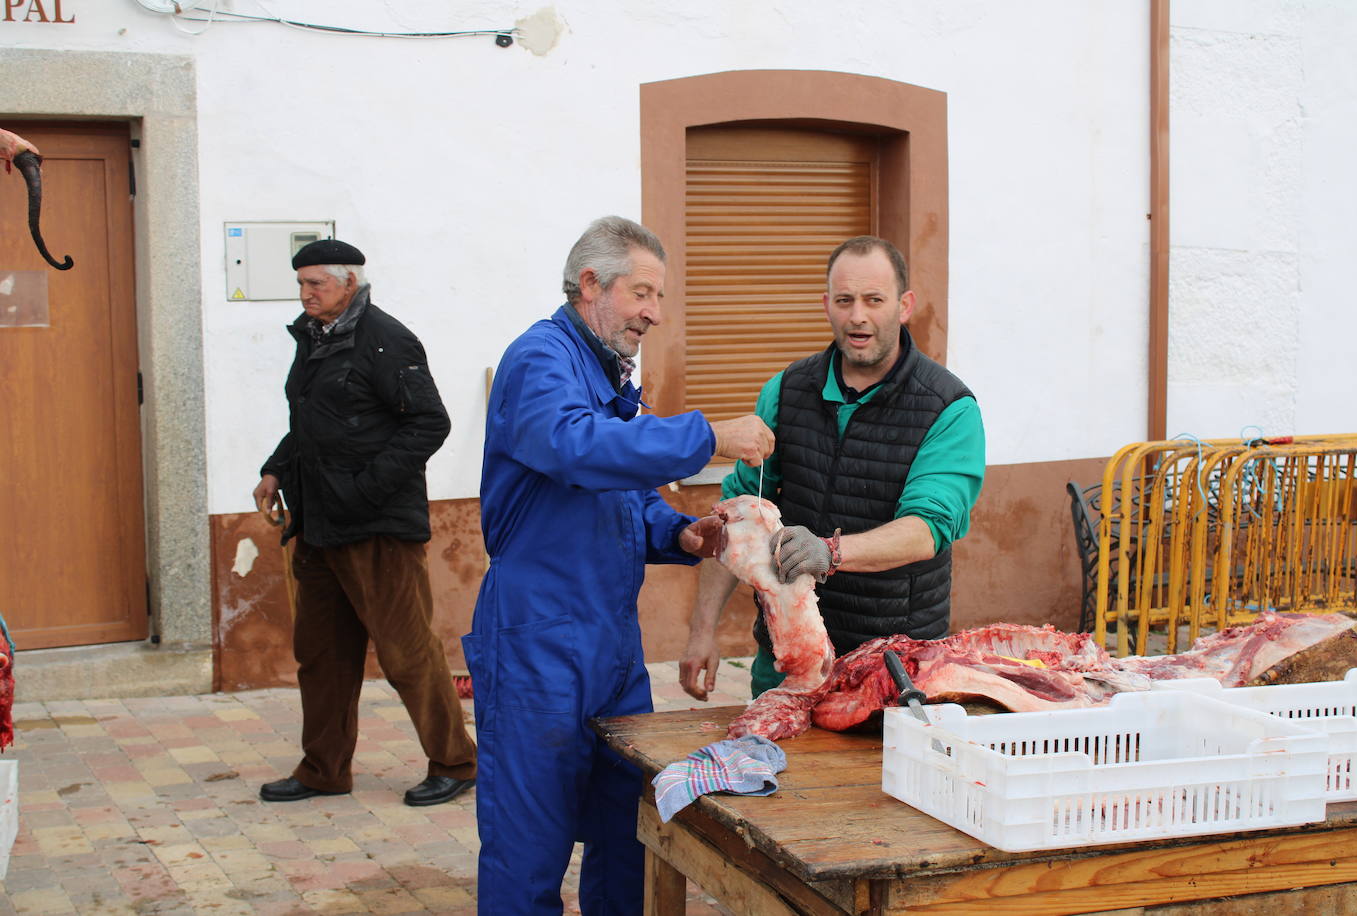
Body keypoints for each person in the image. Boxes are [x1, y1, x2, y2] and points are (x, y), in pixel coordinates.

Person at [465, 216, 774, 915]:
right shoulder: (539, 358)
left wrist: (681, 534)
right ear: (590, 285)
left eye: (659, 298)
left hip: (611, 643)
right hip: (534, 639)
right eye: (642, 294)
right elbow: (575, 449)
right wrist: (710, 434)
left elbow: (624, 496)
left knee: (628, 829)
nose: (653, 314)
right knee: (528, 842)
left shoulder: (610, 372)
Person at [679, 235, 986, 701]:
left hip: (893, 671)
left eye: (873, 300)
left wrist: (830, 551)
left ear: (904, 306)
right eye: (845, 300)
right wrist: (702, 631)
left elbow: (926, 529)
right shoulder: (785, 391)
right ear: (827, 305)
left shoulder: (949, 408)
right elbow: (737, 516)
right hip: (788, 662)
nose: (858, 316)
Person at [252, 239, 477, 807]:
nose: (304, 295)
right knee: (322, 655)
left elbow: (429, 423)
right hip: (319, 525)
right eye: (301, 284)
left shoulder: (385, 339)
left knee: (407, 652)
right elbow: (310, 421)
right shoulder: (314, 339)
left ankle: (456, 762)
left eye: (315, 285)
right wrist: (277, 470)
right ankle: (324, 768)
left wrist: (363, 488)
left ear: (348, 283)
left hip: (378, 528)